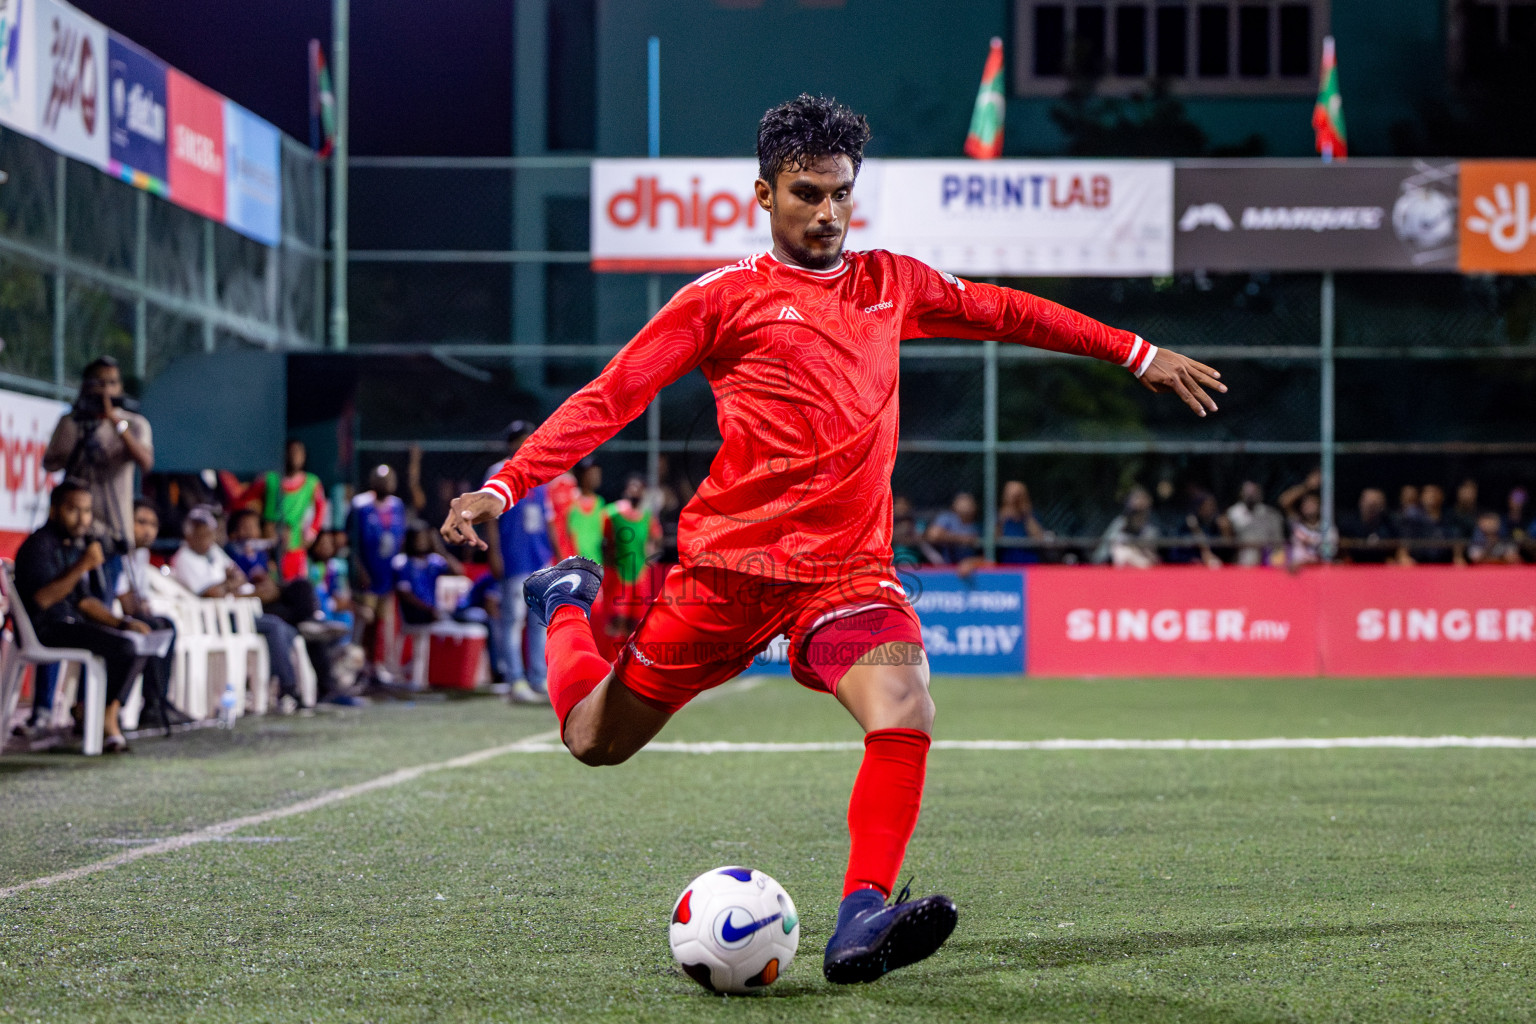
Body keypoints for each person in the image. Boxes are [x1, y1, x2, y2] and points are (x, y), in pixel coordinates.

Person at [441, 94, 1223, 984]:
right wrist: (505, 485)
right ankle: (565, 605)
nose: (827, 212)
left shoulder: (893, 283)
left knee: (904, 704)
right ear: (763, 195)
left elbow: (1007, 311)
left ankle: (859, 921)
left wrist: (1132, 351)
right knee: (594, 740)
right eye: (807, 193)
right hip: (728, 569)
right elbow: (612, 396)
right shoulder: (720, 300)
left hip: (847, 573)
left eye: (841, 193)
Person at [13, 482, 150, 752]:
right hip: (45, 629)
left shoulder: (74, 546)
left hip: (71, 624)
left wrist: (123, 623)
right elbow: (42, 600)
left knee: (135, 639)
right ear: (54, 510)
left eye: (87, 511)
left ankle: (103, 711)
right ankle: (101, 716)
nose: (82, 518)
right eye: (73, 509)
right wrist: (83, 565)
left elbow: (86, 602)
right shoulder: (38, 546)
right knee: (125, 646)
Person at [170, 506, 309, 712]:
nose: (207, 540)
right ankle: (287, 688)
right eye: (201, 535)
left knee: (289, 627)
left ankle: (274, 686)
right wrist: (227, 585)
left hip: (240, 610)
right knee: (275, 627)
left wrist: (227, 586)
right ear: (189, 536)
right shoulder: (184, 558)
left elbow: (238, 578)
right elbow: (211, 593)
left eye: (210, 534)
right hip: (216, 619)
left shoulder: (214, 552)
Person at [42, 356, 154, 598]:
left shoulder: (134, 423)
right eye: (99, 383)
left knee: (102, 603)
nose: (106, 389)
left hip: (113, 533)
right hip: (74, 533)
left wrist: (115, 422)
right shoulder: (71, 422)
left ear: (120, 387)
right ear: (86, 386)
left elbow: (145, 462)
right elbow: (50, 464)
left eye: (112, 383)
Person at [483, 421, 554, 703]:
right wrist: (494, 552)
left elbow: (548, 519)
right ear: (511, 443)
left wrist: (555, 554)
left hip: (538, 556)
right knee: (513, 621)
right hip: (514, 556)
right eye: (522, 439)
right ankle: (516, 679)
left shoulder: (540, 471)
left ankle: (538, 677)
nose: (527, 444)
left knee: (540, 621)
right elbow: (489, 515)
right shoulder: (499, 471)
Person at [115, 498, 188, 731]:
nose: (148, 530)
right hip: (111, 619)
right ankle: (128, 706)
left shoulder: (141, 555)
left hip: (134, 616)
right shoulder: (117, 552)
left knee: (166, 626)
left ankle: (156, 703)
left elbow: (141, 600)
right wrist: (138, 605)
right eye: (141, 522)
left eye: (153, 524)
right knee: (153, 627)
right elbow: (126, 603)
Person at [234, 439, 328, 582]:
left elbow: (321, 509)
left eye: (299, 452)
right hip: (269, 547)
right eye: (291, 452)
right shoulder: (269, 479)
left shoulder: (312, 483)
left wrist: (311, 533)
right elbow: (244, 500)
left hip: (294, 548)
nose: (295, 456)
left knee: (296, 588)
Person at [347, 465, 408, 682]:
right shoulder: (360, 505)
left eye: (389, 480)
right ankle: (356, 668)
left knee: (383, 626)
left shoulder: (397, 506)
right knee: (364, 624)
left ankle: (378, 666)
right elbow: (351, 542)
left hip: (387, 577)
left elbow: (400, 539)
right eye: (381, 480)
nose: (385, 485)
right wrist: (359, 569)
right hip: (366, 578)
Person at [1092, 486, 1161, 568]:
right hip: (1120, 569)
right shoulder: (1120, 523)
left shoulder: (1152, 528)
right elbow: (1102, 552)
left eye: (1143, 500)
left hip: (1144, 567)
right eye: (1136, 499)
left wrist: (1136, 551)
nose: (1139, 503)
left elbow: (1154, 557)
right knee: (1122, 552)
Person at [1397, 483, 1460, 565]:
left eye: (1435, 492)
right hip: (1419, 563)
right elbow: (1405, 540)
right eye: (1428, 493)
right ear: (1422, 497)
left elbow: (1456, 539)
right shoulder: (1413, 517)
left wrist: (1458, 557)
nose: (1432, 496)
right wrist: (1403, 556)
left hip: (1444, 563)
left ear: (1442, 496)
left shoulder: (1449, 517)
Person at [1226, 481, 1283, 567]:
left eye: (1253, 492)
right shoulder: (1233, 513)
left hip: (1266, 556)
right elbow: (1228, 539)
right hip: (1242, 556)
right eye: (1248, 492)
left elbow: (1278, 539)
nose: (1250, 495)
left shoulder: (1270, 514)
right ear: (1241, 493)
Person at [1336, 488, 1399, 564]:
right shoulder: (1347, 524)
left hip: (1382, 565)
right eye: (1369, 505)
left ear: (1383, 506)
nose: (1371, 509)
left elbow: (1399, 547)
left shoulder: (1391, 524)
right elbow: (1341, 546)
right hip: (1354, 565)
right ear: (1361, 503)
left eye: (1375, 505)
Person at [995, 481, 1046, 564]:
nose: (1015, 498)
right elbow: (993, 540)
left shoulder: (1031, 516)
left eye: (1018, 495)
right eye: (1011, 494)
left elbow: (1039, 538)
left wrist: (1026, 513)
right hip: (1006, 562)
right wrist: (1002, 518)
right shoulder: (999, 516)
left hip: (1029, 563)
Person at [924, 492, 982, 566]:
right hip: (945, 565)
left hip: (969, 566)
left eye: (969, 503)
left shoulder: (979, 526)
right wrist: (961, 539)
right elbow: (933, 535)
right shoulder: (947, 518)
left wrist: (970, 563)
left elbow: (988, 555)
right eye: (961, 502)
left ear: (975, 506)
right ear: (954, 505)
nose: (965, 505)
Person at [1286, 491, 1334, 566]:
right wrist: (1307, 487)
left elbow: (1331, 551)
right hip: (1298, 569)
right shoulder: (1295, 524)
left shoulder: (1327, 528)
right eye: (1306, 504)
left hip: (1319, 568)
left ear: (1319, 507)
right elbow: (1285, 503)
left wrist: (1312, 542)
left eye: (1312, 503)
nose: (1308, 506)